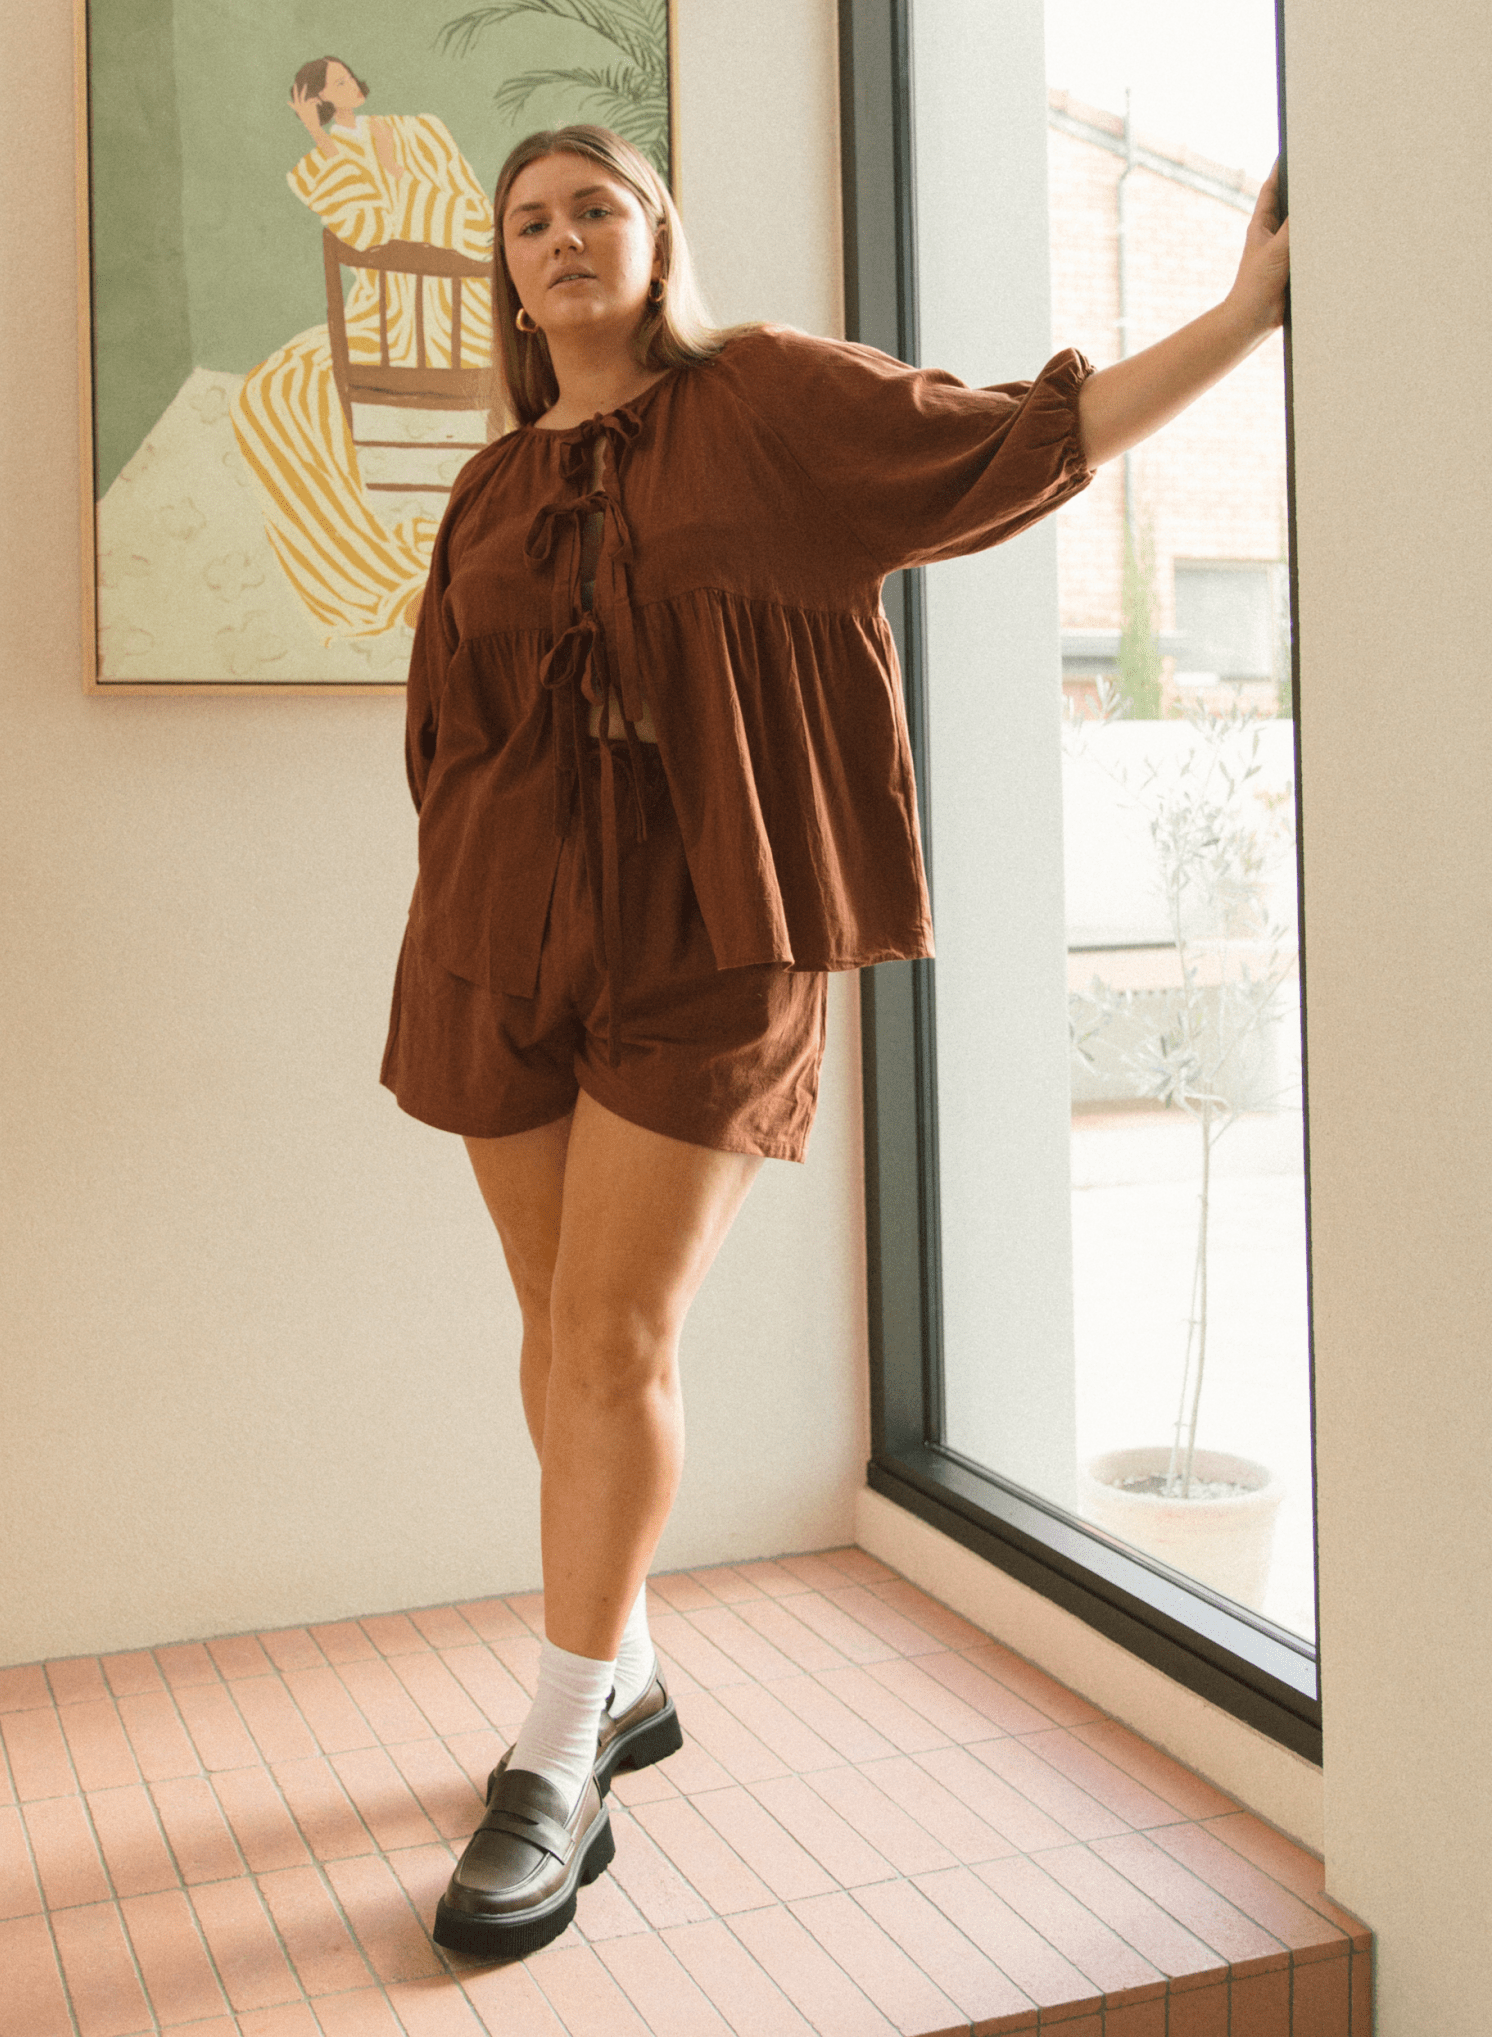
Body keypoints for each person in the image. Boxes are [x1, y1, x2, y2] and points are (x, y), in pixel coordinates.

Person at [379, 123, 1289, 1961]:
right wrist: (476, 904)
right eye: (528, 221)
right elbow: (443, 736)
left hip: (710, 932)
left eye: (596, 208)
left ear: (657, 238)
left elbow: (1021, 442)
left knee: (616, 1333)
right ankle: (623, 1665)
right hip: (496, 932)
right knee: (555, 1328)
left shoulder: (770, 402)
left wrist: (1242, 316)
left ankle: (555, 1755)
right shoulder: (489, 487)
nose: (561, 238)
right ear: (508, 277)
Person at [229, 59, 495, 644]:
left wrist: (395, 185)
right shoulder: (318, 165)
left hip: (467, 317)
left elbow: (476, 224)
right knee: (273, 390)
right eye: (333, 84)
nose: (347, 85)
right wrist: (323, 140)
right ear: (317, 98)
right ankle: (375, 573)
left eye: (347, 76)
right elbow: (367, 231)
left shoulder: (421, 131)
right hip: (381, 317)